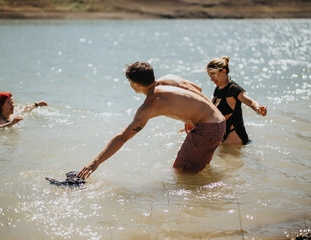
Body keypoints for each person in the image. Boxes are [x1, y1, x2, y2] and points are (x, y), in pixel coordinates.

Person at [78, 62, 226, 179]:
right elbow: (197, 90)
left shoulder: (151, 104)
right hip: (218, 120)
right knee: (198, 168)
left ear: (136, 84)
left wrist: (95, 162)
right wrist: (191, 117)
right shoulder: (171, 78)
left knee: (181, 173)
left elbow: (123, 137)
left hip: (208, 129)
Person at [206, 56, 267, 145]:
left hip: (237, 138)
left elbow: (250, 101)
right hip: (223, 138)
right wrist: (194, 123)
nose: (211, 79)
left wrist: (257, 108)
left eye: (213, 74)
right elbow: (210, 112)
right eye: (209, 75)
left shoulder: (233, 89)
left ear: (223, 71)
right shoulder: (217, 90)